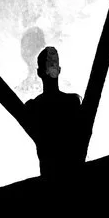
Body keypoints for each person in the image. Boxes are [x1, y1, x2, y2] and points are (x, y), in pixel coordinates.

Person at [21, 44, 88, 176]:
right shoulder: (72, 102)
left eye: (53, 63)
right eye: (49, 63)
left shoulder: (33, 107)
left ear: (39, 72)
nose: (51, 67)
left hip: (51, 177)